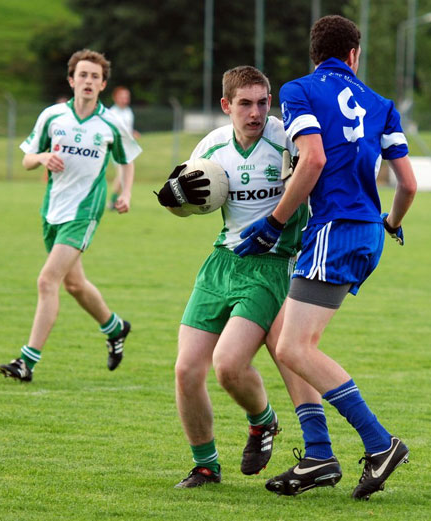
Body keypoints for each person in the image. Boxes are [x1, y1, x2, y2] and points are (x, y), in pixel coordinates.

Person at [234, 15, 417, 500]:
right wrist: (392, 225)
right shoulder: (381, 104)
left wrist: (273, 223)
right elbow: (409, 185)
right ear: (354, 55)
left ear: (316, 55)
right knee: (294, 342)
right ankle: (318, 455)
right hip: (369, 233)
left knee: (293, 348)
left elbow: (312, 160)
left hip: (332, 230)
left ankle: (381, 444)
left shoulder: (301, 90)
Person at [156, 65, 311, 488]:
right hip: (221, 261)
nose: (256, 112)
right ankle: (206, 465)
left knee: (227, 365)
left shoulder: (288, 139)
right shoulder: (211, 147)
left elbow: (315, 174)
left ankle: (262, 422)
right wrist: (174, 200)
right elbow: (186, 206)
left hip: (272, 265)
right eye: (245, 103)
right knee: (186, 369)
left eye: (263, 102)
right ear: (227, 106)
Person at [0, 49, 142, 382]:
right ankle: (115, 327)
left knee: (47, 280)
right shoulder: (52, 117)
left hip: (84, 212)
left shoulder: (110, 123)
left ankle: (26, 362)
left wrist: (126, 193)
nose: (88, 81)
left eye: (95, 76)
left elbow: (127, 160)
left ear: (102, 83)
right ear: (71, 80)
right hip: (53, 210)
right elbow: (27, 159)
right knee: (75, 285)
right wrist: (44, 157)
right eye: (83, 75)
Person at [108, 86, 141, 210]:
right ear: (115, 98)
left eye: (126, 97)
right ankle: (113, 202)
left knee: (124, 176)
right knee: (122, 175)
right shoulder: (112, 113)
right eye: (122, 97)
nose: (125, 99)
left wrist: (133, 133)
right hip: (117, 148)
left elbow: (127, 129)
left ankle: (117, 200)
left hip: (127, 148)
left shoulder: (128, 111)